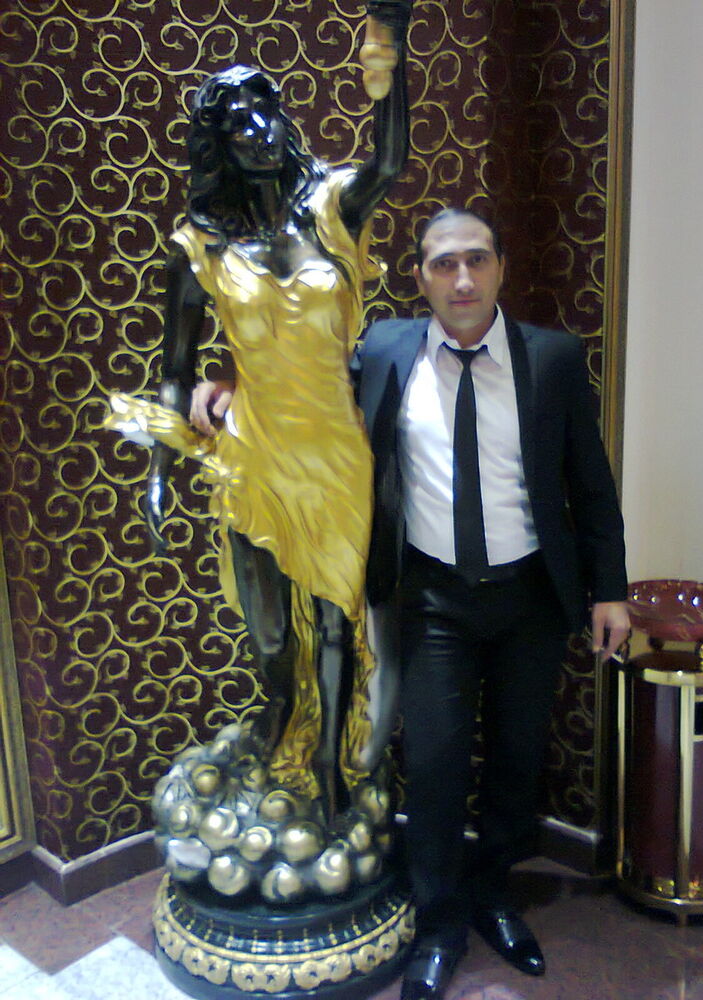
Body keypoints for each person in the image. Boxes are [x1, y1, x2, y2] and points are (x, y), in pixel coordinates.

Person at [191, 207, 628, 983]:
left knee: (517, 759)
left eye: (477, 260)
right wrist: (225, 386)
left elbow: (589, 482)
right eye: (443, 264)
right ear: (421, 277)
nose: (462, 279)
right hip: (432, 602)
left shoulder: (554, 358)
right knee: (434, 765)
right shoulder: (387, 348)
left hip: (531, 598)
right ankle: (439, 927)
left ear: (501, 267)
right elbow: (302, 385)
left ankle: (494, 895)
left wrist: (610, 591)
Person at [134, 0, 412, 831]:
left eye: (265, 111)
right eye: (236, 124)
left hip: (335, 453)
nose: (257, 130)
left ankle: (327, 762)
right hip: (253, 451)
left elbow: (389, 160)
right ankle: (279, 710)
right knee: (267, 635)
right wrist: (158, 469)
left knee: (333, 617)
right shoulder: (199, 250)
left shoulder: (331, 207)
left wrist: (389, 45)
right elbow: (175, 371)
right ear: (217, 148)